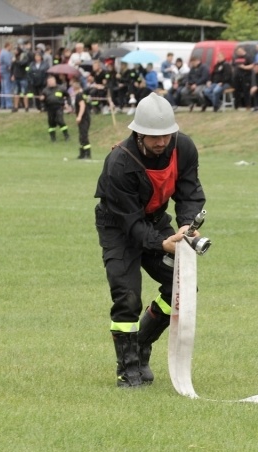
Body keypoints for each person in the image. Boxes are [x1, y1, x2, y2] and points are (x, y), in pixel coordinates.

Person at [94, 92, 206, 387]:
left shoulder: (183, 147)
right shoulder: (119, 162)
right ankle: (128, 369)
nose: (161, 142)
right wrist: (161, 244)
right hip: (118, 227)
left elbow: (190, 191)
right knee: (127, 296)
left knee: (181, 288)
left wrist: (186, 225)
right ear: (138, 133)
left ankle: (142, 343)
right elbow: (130, 221)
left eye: (166, 135)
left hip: (155, 221)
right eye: (154, 137)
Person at [39, 75, 70, 142]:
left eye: (52, 81)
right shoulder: (45, 90)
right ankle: (53, 138)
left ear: (55, 81)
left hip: (59, 107)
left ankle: (66, 136)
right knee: (51, 123)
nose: (51, 83)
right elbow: (42, 100)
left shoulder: (61, 88)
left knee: (60, 121)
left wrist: (67, 104)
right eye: (49, 82)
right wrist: (42, 100)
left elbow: (67, 96)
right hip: (50, 108)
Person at [72, 79, 91, 159]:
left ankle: (87, 153)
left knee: (83, 136)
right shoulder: (83, 94)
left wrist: (79, 116)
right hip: (86, 117)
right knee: (81, 136)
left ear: (74, 88)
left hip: (84, 118)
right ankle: (82, 153)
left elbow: (82, 106)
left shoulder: (79, 95)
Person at [0, 42, 13, 110]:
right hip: (6, 71)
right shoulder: (6, 53)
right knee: (7, 88)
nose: (11, 48)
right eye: (11, 46)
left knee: (3, 88)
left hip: (1, 71)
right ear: (8, 46)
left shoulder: (1, 52)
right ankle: (8, 104)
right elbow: (8, 63)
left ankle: (2, 104)